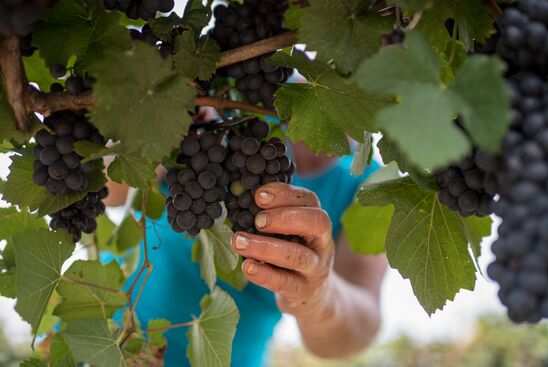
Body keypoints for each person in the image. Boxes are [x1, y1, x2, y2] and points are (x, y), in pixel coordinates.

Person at [104, 136, 388, 366]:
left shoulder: (374, 186)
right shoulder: (241, 86)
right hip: (104, 337)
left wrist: (317, 297)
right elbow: (109, 187)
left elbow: (359, 328)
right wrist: (174, 126)